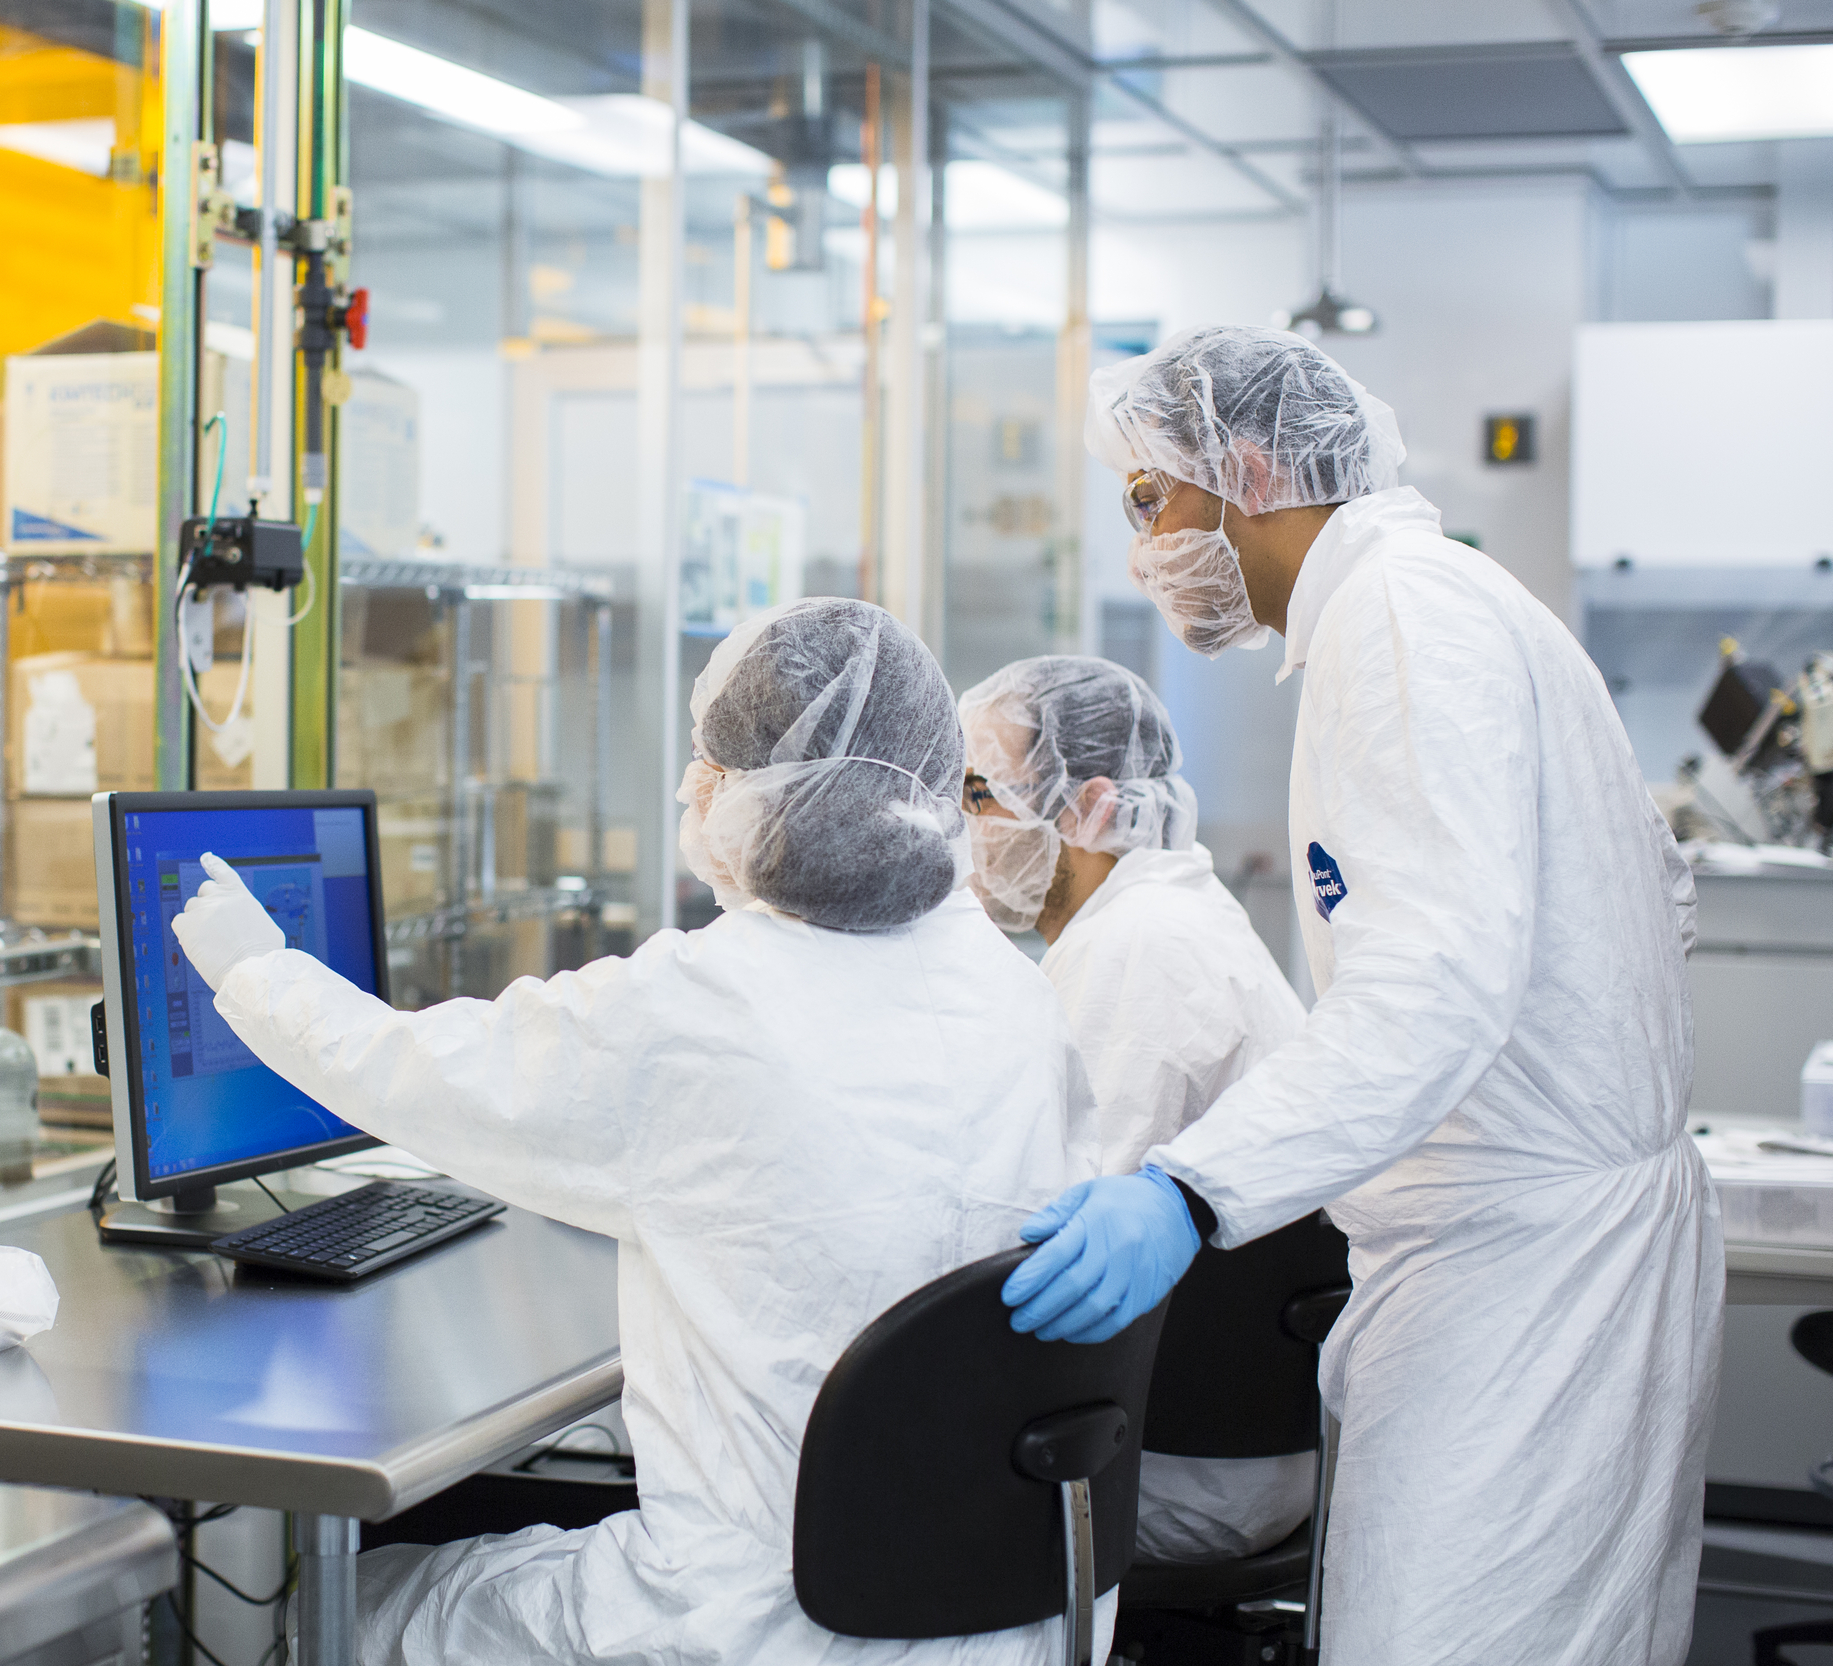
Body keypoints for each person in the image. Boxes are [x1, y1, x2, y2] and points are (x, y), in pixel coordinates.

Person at [171, 597, 1105, 1666]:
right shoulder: (1009, 987)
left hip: (769, 1623)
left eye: (715, 763)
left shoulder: (706, 1003)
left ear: (771, 796)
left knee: (348, 1607)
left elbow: (414, 1071)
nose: (691, 786)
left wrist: (255, 971)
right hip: (1022, 1612)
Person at [999, 324, 1722, 1665]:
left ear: (1252, 467)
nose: (1143, 547)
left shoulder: (1403, 618)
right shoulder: (1431, 604)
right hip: (1532, 1251)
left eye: (1151, 498)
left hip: (1522, 1281)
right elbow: (1648, 895)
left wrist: (1189, 1189)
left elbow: (1432, 982)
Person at [958, 654, 1313, 1565]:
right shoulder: (1162, 917)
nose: (960, 828)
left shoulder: (1137, 948)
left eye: (980, 795)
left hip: (1177, 1471)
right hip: (1215, 1442)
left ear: (1089, 807)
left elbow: (1040, 1236)